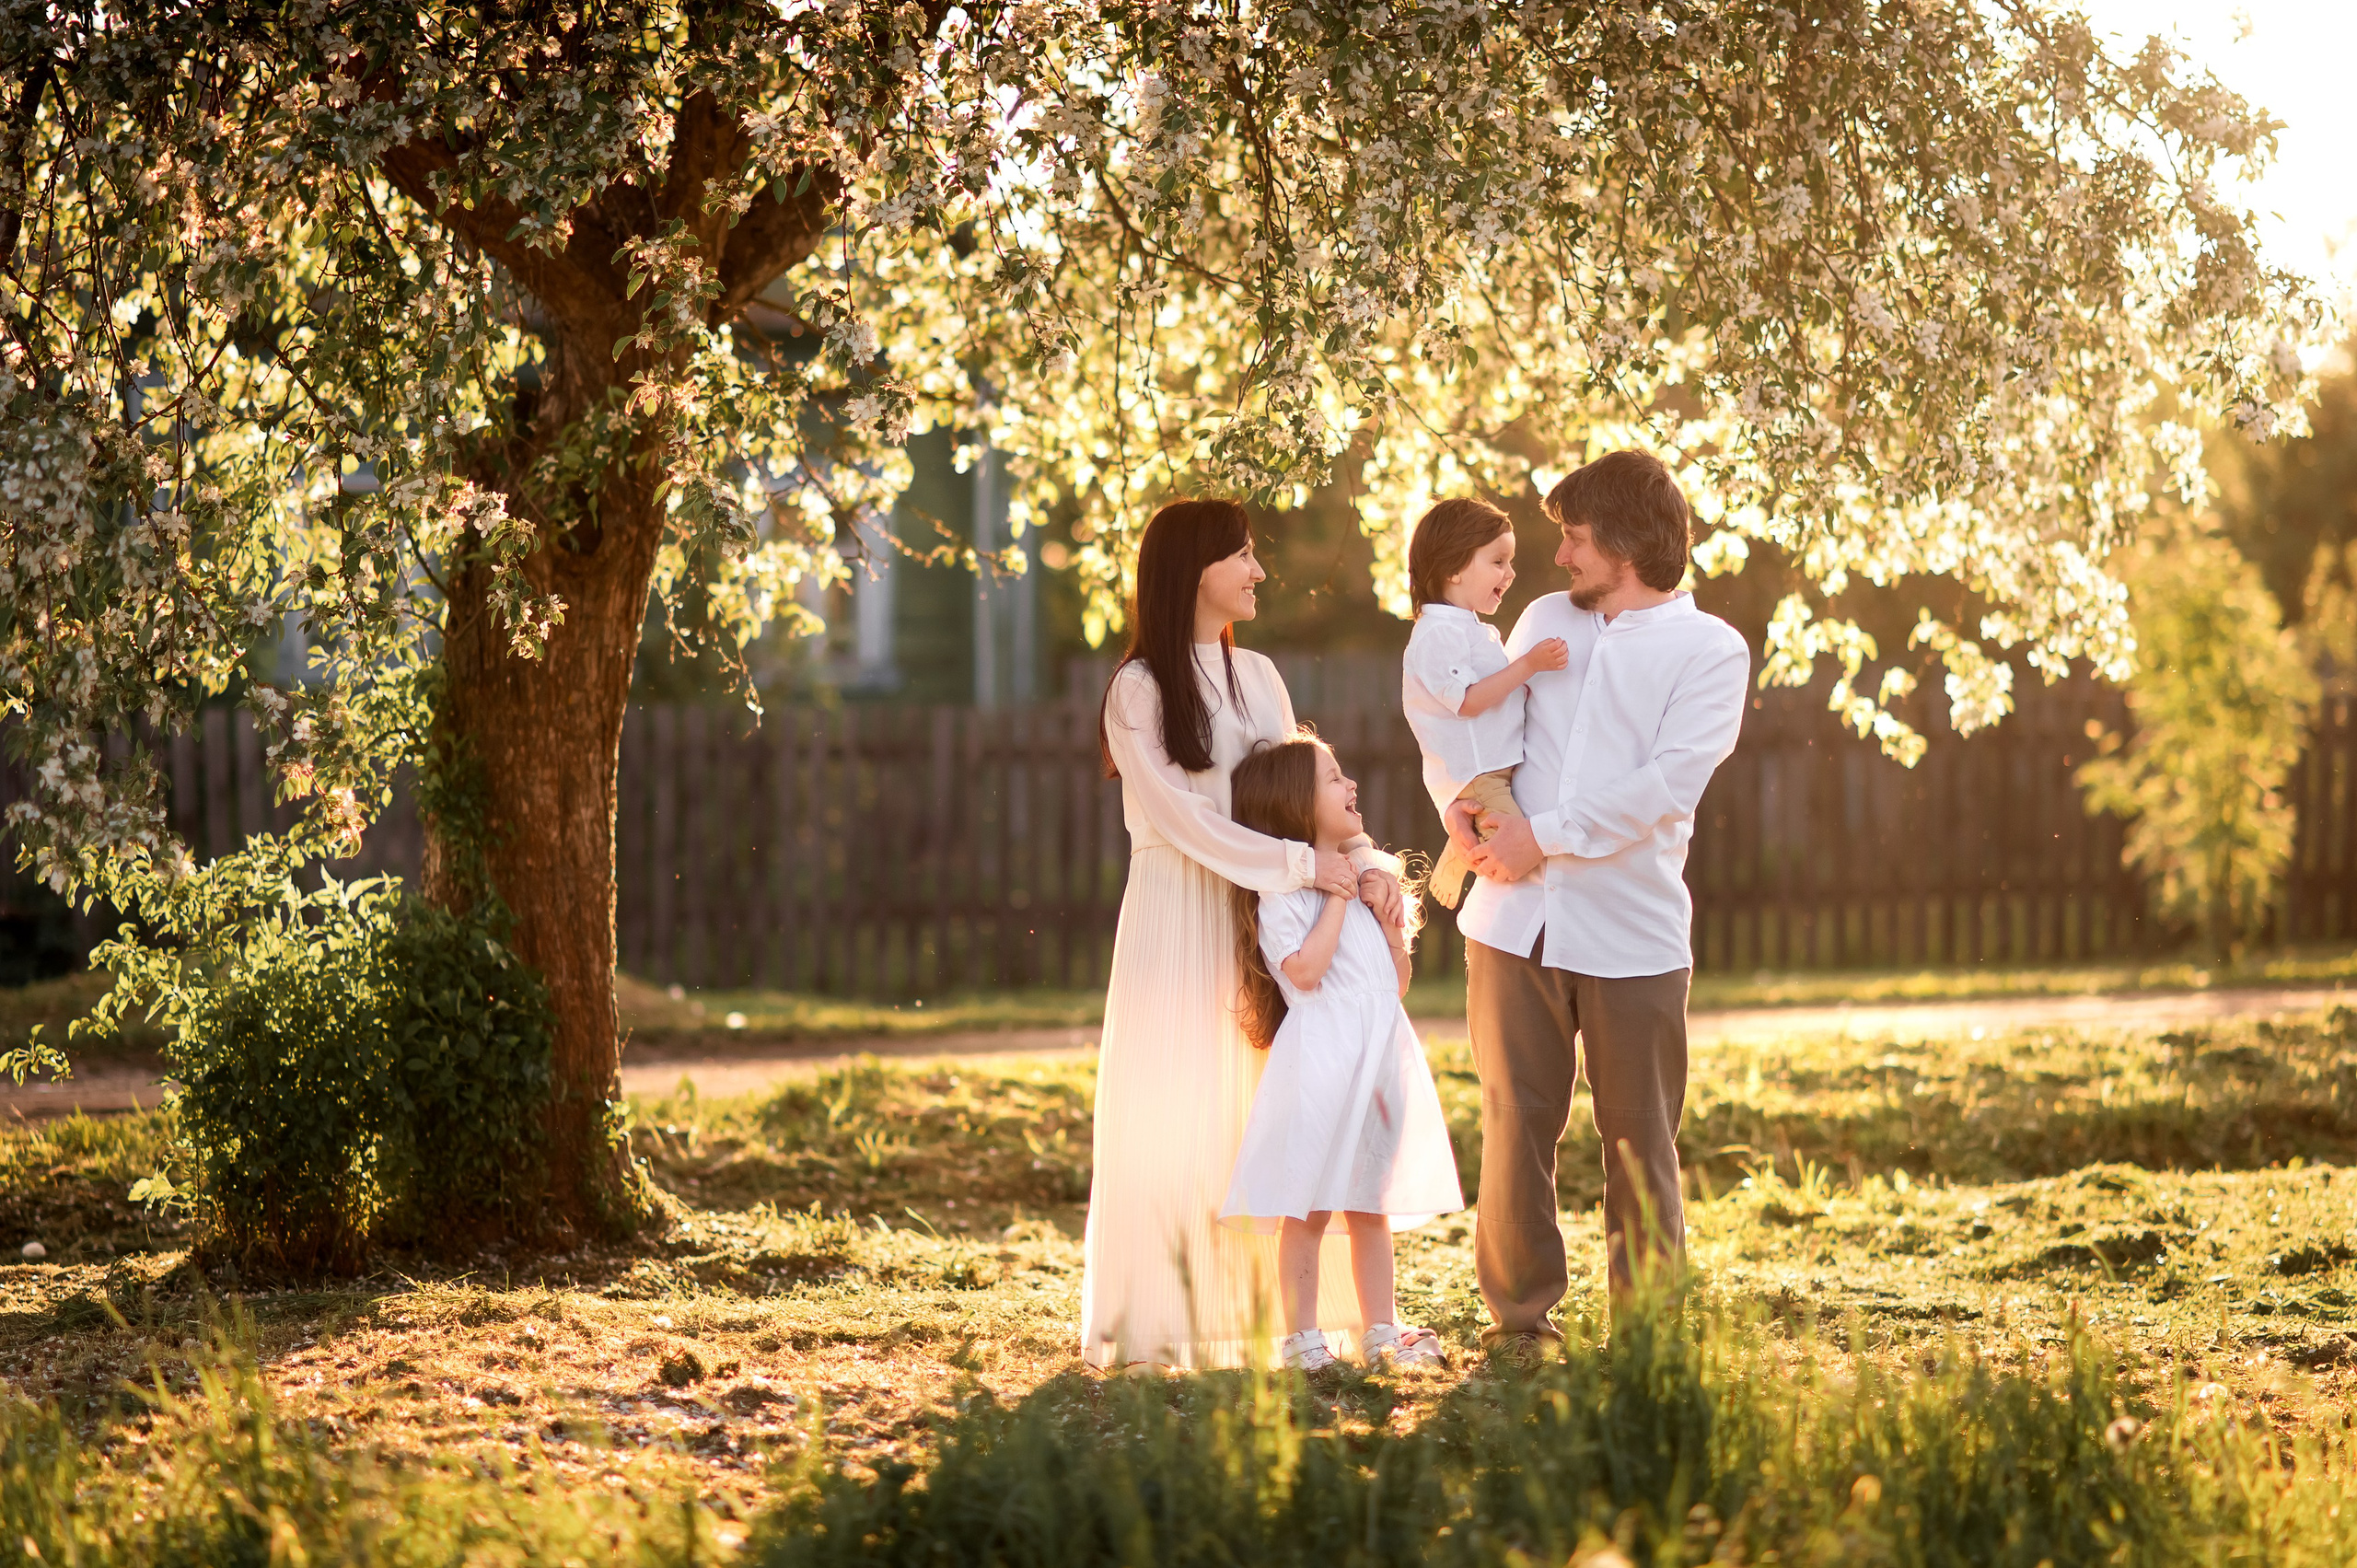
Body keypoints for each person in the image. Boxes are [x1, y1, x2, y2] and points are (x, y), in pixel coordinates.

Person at [1082, 497, 1405, 1369]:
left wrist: (1369, 863)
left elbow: (1305, 793)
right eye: (1243, 557)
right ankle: (1160, 1315)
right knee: (1177, 1107)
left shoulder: (1260, 676)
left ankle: (1287, 1319)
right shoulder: (1138, 690)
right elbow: (1183, 821)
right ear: (1195, 570)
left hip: (1263, 918)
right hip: (1177, 911)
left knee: (1269, 1111)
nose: (1260, 572)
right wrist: (1303, 868)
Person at [1450, 449, 1749, 1366]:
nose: (1560, 557)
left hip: (1634, 931)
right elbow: (1487, 734)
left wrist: (1546, 833)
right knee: (1513, 1124)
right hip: (1509, 924)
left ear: (1623, 541)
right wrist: (1473, 805)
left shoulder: (1712, 649)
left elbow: (1666, 786)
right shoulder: (1543, 621)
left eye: (1575, 538)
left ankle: (1648, 1333)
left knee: (1640, 1139)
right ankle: (1519, 1324)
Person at [1218, 733, 1463, 1371]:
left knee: (1369, 1201)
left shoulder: (1365, 880)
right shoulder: (1284, 893)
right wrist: (1334, 898)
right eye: (1333, 778)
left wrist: (1389, 931)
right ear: (1296, 804)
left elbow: (1395, 983)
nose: (1350, 785)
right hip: (1323, 1060)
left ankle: (1380, 1329)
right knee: (1307, 1204)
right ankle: (1301, 1338)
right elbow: (1304, 972)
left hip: (1379, 1056)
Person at [1400, 497, 1570, 909]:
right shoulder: (1437, 634)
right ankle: (1462, 858)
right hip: (1480, 775)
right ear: (1453, 569)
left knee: (1512, 842)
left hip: (1497, 769)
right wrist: (1529, 666)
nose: (1510, 574)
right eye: (1498, 562)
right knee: (1511, 859)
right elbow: (1470, 701)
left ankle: (1462, 849)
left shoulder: (1469, 627)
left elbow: (1493, 690)